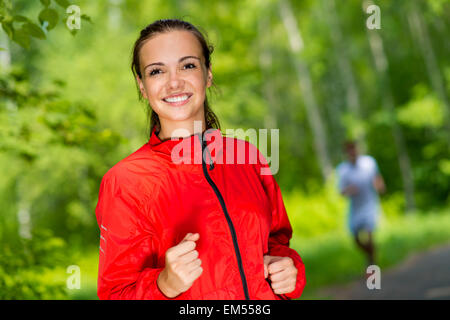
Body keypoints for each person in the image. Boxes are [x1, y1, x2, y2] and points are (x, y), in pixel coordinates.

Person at [94, 19, 306, 300]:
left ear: (208, 74)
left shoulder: (247, 158)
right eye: (157, 71)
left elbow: (277, 242)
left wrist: (289, 271)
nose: (174, 82)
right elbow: (116, 293)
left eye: (188, 65)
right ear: (142, 86)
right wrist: (163, 286)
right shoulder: (125, 181)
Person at [336, 141, 385, 267]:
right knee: (356, 240)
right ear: (346, 153)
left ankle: (372, 263)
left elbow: (377, 177)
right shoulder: (343, 170)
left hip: (370, 204)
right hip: (355, 208)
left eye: (354, 149)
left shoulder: (369, 163)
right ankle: (371, 254)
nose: (353, 152)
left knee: (369, 235)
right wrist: (349, 190)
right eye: (350, 150)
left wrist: (380, 186)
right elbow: (341, 191)